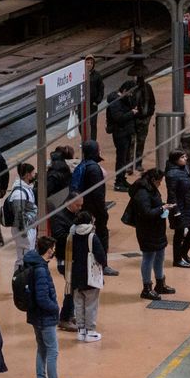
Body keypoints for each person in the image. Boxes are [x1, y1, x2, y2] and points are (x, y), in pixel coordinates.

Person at [24, 236, 76, 378]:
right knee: (52, 350)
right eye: (52, 248)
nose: (54, 251)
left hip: (35, 316)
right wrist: (55, 308)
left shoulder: (33, 264)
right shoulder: (40, 269)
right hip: (44, 317)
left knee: (42, 349)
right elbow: (42, 297)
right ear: (49, 250)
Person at [129, 168, 175, 301]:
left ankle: (160, 284)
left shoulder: (151, 188)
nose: (161, 184)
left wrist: (163, 205)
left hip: (157, 229)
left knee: (160, 255)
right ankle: (147, 288)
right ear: (153, 180)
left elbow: (154, 205)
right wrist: (162, 208)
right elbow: (146, 213)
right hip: (147, 230)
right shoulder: (142, 193)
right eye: (160, 181)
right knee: (148, 257)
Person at [74, 140, 117, 276]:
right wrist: (103, 212)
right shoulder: (94, 169)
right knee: (100, 237)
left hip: (85, 208)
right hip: (94, 210)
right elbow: (97, 193)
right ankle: (103, 265)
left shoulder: (83, 165)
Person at [66, 210, 106, 342]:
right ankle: (90, 331)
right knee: (91, 304)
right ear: (90, 221)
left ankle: (81, 330)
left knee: (78, 303)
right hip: (90, 276)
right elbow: (101, 256)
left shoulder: (71, 235)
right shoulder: (92, 237)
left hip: (75, 276)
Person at [50, 192, 83, 330]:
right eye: (77, 205)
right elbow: (59, 236)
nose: (80, 208)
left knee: (75, 288)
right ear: (69, 202)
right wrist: (77, 233)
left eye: (81, 205)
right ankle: (64, 317)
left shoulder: (76, 214)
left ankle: (69, 314)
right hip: (65, 259)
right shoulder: (59, 217)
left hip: (75, 258)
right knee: (72, 288)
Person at [165, 150, 190, 268]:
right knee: (179, 234)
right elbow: (172, 194)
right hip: (180, 207)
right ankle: (177, 259)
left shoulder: (184, 169)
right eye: (183, 157)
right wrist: (176, 211)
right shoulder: (171, 174)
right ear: (175, 159)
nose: (186, 159)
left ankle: (183, 253)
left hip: (189, 205)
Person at [106, 80, 138, 192]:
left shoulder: (124, 100)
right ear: (124, 90)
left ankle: (122, 179)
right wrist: (132, 113)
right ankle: (118, 182)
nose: (131, 94)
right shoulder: (115, 102)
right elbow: (118, 118)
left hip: (126, 131)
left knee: (124, 158)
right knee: (121, 158)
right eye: (130, 92)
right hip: (120, 133)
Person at [6, 162, 37, 260]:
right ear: (28, 175)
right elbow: (18, 214)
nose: (35, 175)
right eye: (33, 173)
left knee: (28, 255)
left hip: (28, 227)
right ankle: (19, 275)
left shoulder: (27, 189)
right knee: (23, 258)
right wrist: (24, 233)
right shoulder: (19, 193)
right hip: (23, 230)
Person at [131, 76, 156, 172]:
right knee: (132, 141)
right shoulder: (131, 87)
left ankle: (138, 163)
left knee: (141, 142)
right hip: (133, 118)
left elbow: (152, 103)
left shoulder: (147, 88)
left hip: (144, 119)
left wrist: (148, 115)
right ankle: (129, 164)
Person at [84, 54, 105, 140]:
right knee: (82, 124)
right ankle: (85, 139)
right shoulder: (81, 75)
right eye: (87, 62)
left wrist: (97, 101)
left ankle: (93, 142)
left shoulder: (97, 75)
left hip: (93, 104)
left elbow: (101, 89)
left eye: (91, 63)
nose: (89, 64)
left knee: (93, 123)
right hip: (83, 104)